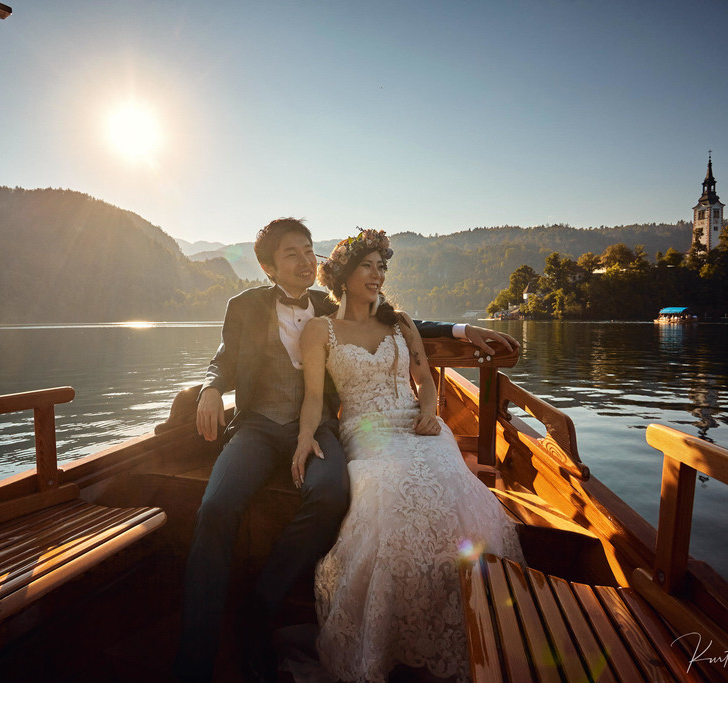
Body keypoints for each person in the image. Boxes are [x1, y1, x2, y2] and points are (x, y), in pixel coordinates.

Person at [173, 218, 518, 682]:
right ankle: (196, 656)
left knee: (332, 493)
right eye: (291, 254)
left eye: (309, 251)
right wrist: (212, 389)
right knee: (215, 506)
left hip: (318, 430)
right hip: (258, 426)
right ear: (267, 267)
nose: (304, 261)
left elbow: (389, 319)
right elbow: (222, 359)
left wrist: (458, 329)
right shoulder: (245, 305)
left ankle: (263, 601)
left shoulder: (327, 301)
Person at [292, 229, 525, 682]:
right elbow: (312, 397)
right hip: (366, 430)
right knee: (390, 497)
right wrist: (304, 437)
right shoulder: (320, 330)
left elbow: (426, 380)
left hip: (419, 428)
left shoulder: (400, 323)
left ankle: (467, 621)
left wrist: (427, 412)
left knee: (451, 488)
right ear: (342, 272)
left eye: (383, 266)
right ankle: (391, 634)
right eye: (368, 265)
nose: (378, 274)